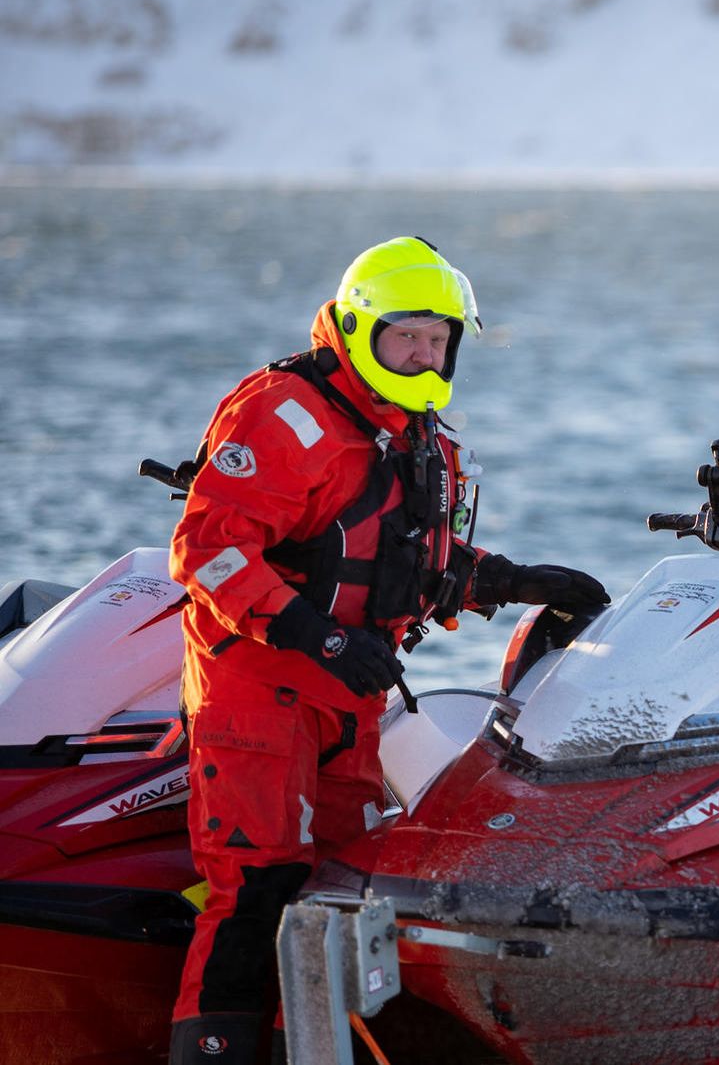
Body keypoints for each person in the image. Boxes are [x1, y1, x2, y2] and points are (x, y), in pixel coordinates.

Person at [166, 236, 609, 1064]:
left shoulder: (410, 433)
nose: (423, 354)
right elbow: (208, 554)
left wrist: (518, 581)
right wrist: (316, 633)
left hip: (350, 699)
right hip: (259, 692)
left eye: (438, 340)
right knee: (256, 888)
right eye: (407, 335)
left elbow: (407, 566)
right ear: (361, 328)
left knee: (346, 894)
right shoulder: (284, 414)